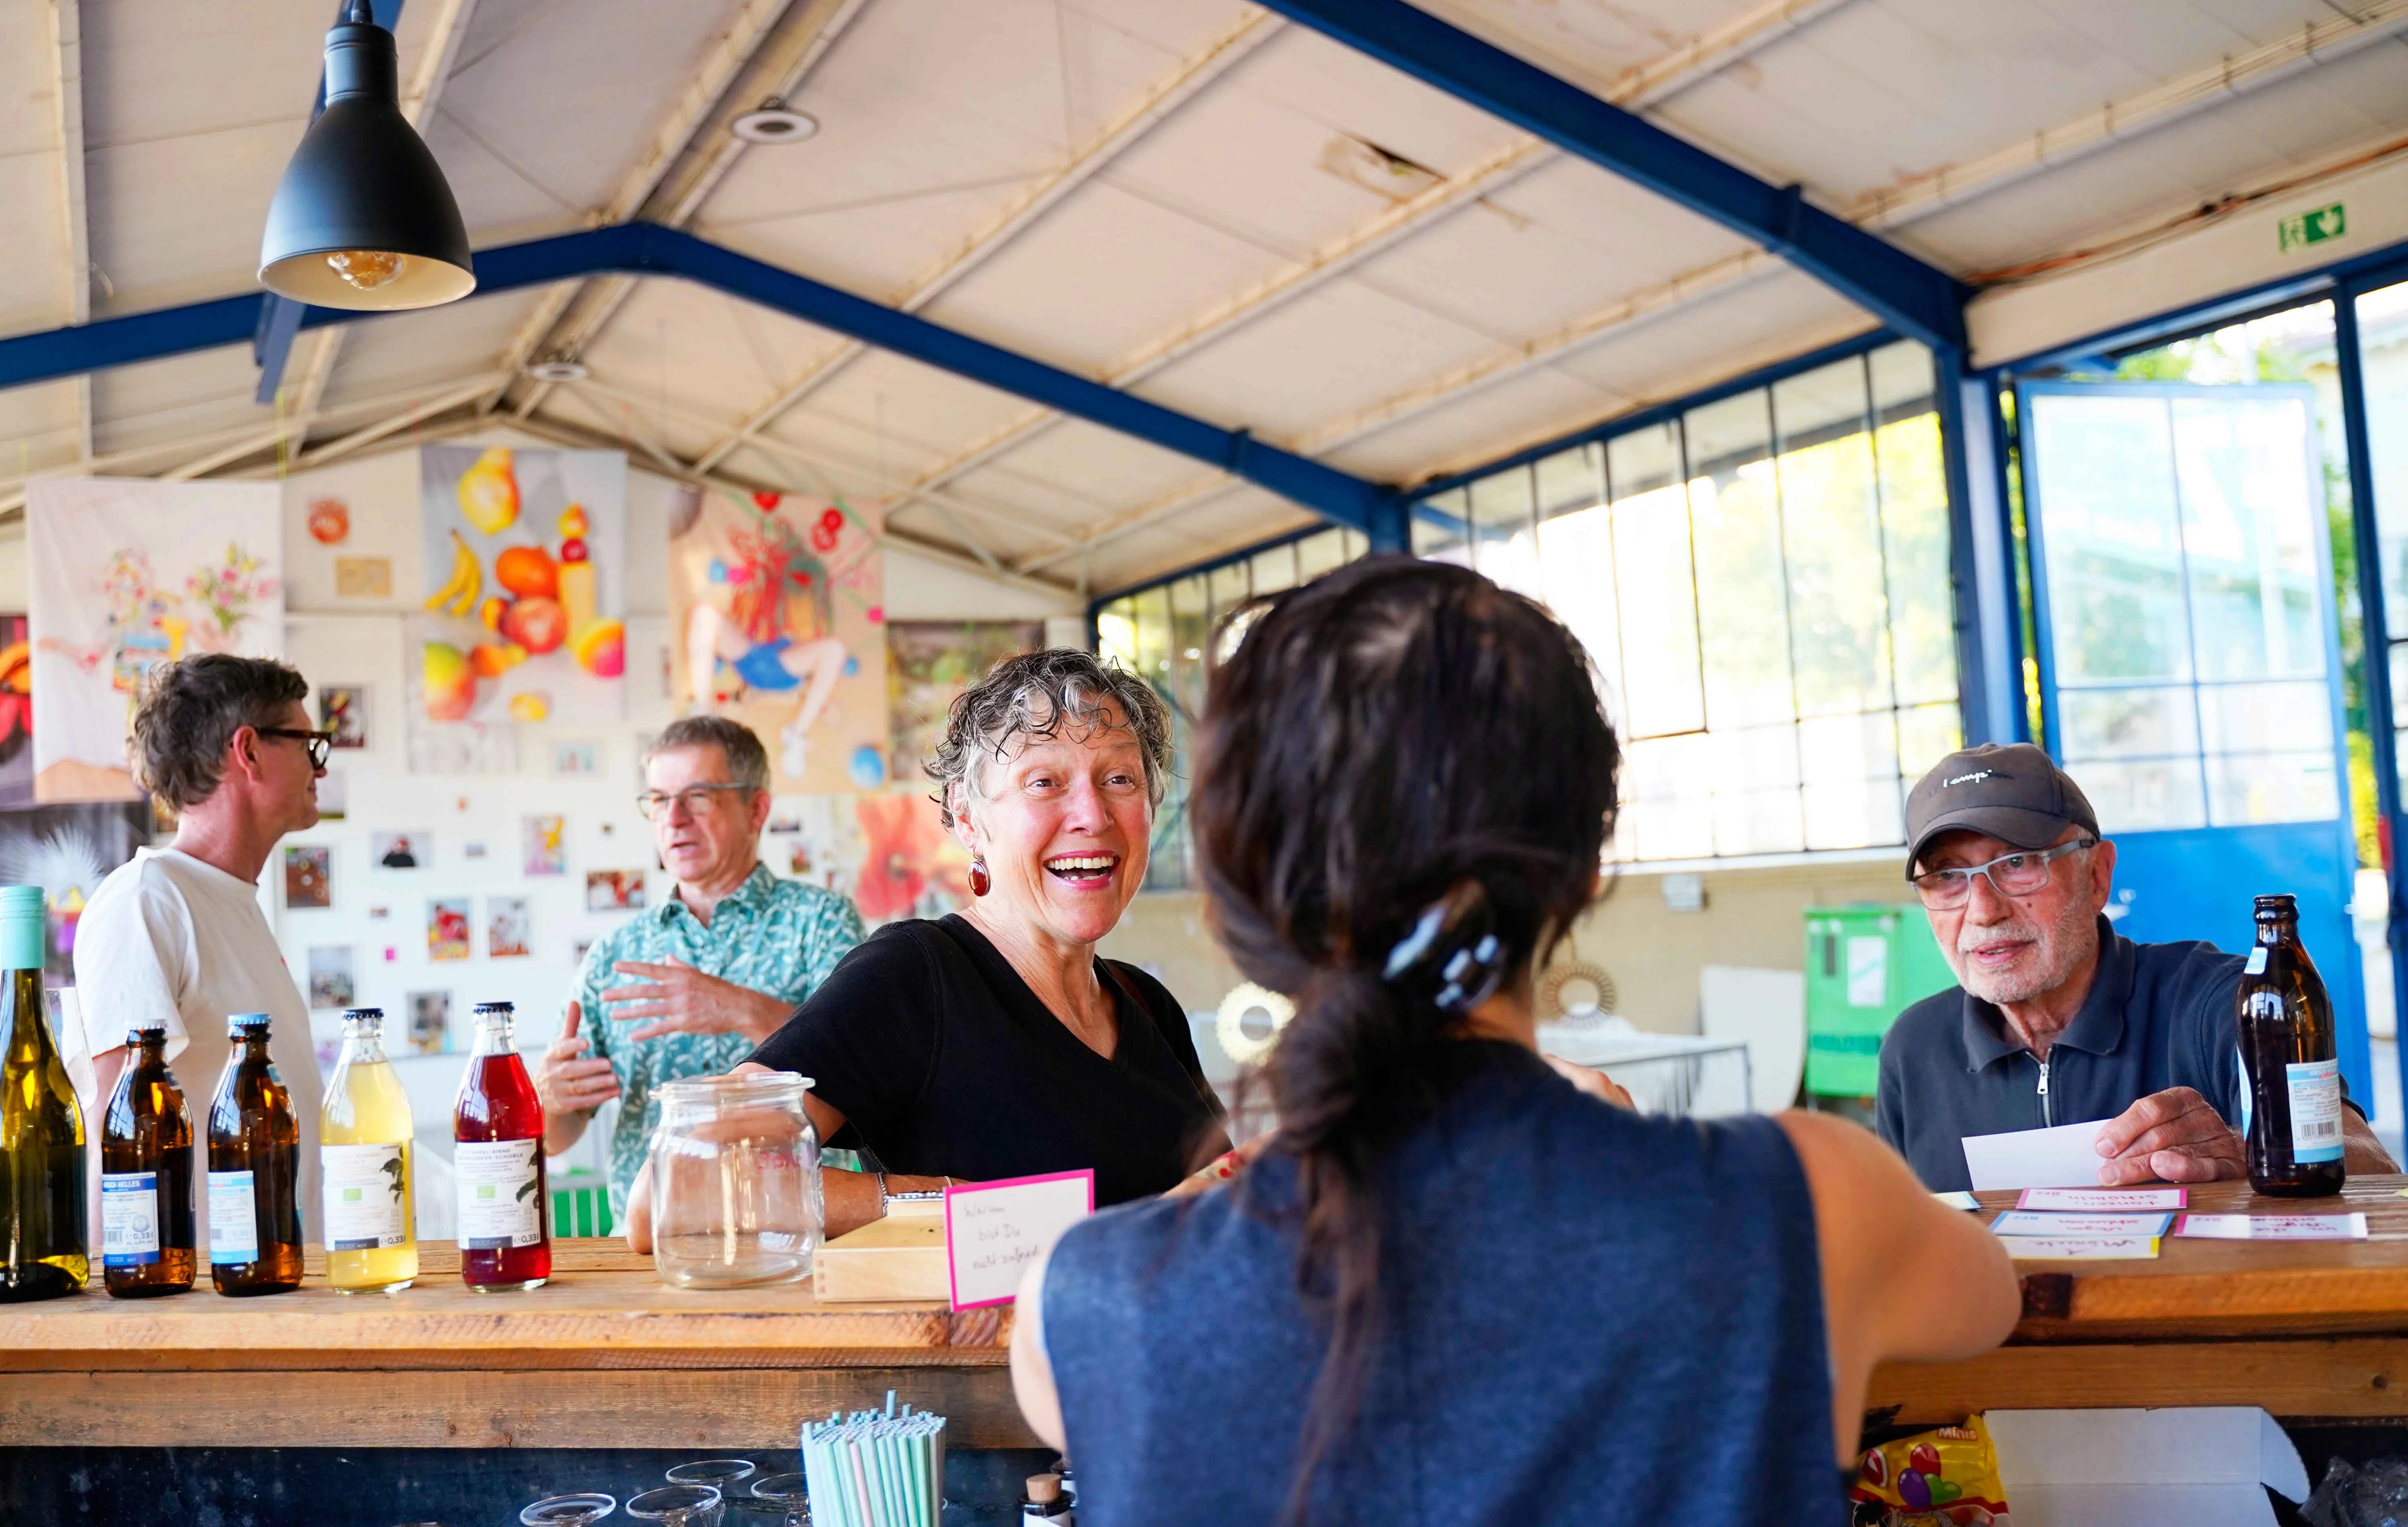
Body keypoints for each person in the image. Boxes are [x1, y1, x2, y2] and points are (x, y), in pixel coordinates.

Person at [1009, 559, 2019, 1527]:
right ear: (1580, 871)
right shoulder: (1814, 1198)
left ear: (1235, 905)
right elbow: (1991, 1302)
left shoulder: (1082, 1304)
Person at [624, 649, 1229, 1249]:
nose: (1092, 815)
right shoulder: (917, 977)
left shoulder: (1147, 1004)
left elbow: (1220, 1206)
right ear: (968, 819)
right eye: (1044, 782)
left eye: (1119, 779)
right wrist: (953, 1204)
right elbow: (676, 1189)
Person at [1877, 742, 2398, 1192]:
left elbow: (2378, 1171)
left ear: (2098, 876)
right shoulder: (1915, 1049)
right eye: (1947, 877)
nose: (1984, 911)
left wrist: (2248, 1155)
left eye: (2017, 864)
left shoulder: (2219, 1004)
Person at [536, 715, 862, 1218]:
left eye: (699, 797)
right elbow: (560, 1136)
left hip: (795, 1232)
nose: (674, 818)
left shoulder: (822, 921)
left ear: (757, 810)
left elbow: (862, 1069)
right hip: (648, 1239)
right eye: (660, 800)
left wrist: (740, 1008)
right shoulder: (616, 952)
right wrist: (553, 1100)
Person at [73, 654, 331, 1242]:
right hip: (204, 1307)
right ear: (249, 751)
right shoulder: (146, 901)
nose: (319, 768)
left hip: (275, 1292)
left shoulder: (234, 905)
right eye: (307, 744)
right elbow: (117, 1135)